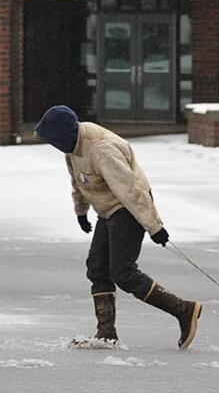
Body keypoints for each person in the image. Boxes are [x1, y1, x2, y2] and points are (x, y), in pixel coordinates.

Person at [34, 105, 201, 350]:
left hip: (129, 208)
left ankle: (184, 310)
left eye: (53, 141)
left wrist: (154, 226)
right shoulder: (72, 146)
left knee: (123, 272)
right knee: (97, 268)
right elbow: (78, 181)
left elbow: (131, 190)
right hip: (108, 209)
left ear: (64, 134)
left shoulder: (102, 149)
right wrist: (81, 211)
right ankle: (106, 333)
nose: (54, 146)